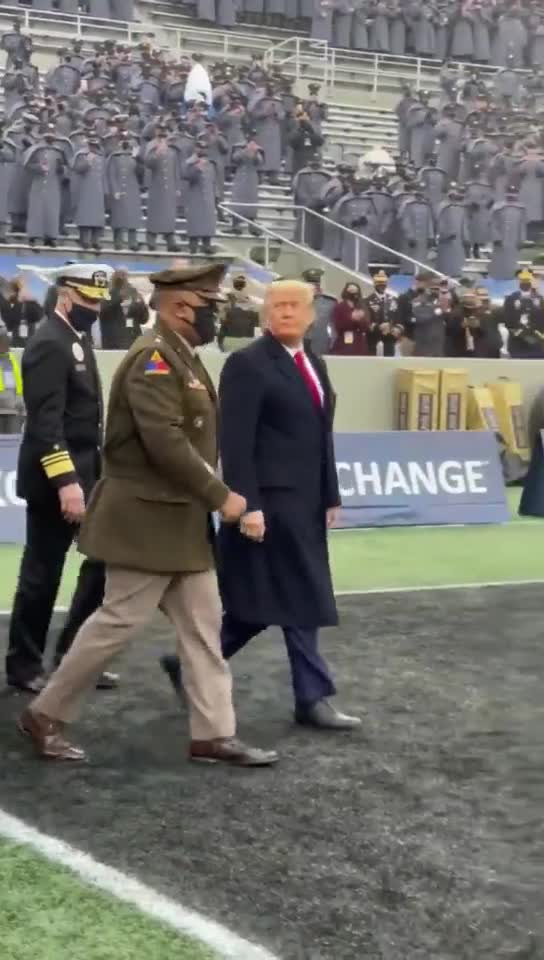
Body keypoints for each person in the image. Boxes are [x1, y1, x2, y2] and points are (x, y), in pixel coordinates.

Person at [18, 263, 278, 768]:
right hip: (146, 522)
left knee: (204, 627)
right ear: (182, 306)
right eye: (211, 306)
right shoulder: (154, 359)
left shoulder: (183, 356)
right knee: (115, 623)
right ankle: (45, 714)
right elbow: (165, 443)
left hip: (180, 524)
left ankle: (213, 734)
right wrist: (220, 495)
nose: (216, 317)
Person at [214, 279, 360, 730]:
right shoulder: (247, 364)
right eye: (277, 305)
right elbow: (235, 443)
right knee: (301, 596)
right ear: (264, 313)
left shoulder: (311, 362)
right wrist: (248, 504)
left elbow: (321, 436)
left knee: (263, 604)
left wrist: (330, 494)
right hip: (271, 505)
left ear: (312, 314)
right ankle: (311, 697)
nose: (285, 313)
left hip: (306, 502)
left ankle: (191, 664)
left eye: (295, 306)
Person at [6, 265, 117, 693]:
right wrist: (67, 483)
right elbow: (46, 425)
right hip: (59, 480)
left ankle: (74, 656)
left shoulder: (75, 338)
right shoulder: (50, 343)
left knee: (103, 563)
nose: (96, 307)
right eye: (89, 300)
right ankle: (24, 665)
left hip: (88, 474)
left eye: (99, 301)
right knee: (42, 574)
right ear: (66, 295)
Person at [218, 274, 259, 351]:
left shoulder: (232, 294)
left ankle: (221, 344)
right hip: (237, 318)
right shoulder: (244, 296)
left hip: (233, 318)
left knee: (224, 329)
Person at [301, 267, 336, 356]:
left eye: (316, 285)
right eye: (310, 285)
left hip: (321, 343)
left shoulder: (330, 302)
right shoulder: (296, 301)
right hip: (300, 343)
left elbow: (333, 326)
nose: (313, 288)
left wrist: (332, 342)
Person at [330, 281, 370, 356]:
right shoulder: (340, 306)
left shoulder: (362, 306)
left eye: (355, 292)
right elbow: (338, 326)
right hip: (344, 342)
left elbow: (366, 326)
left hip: (359, 343)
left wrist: (360, 320)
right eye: (351, 291)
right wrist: (351, 319)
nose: (353, 295)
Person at [0, 317, 24, 434]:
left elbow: (19, 383)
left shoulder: (15, 357)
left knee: (13, 443)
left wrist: (21, 403)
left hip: (14, 410)